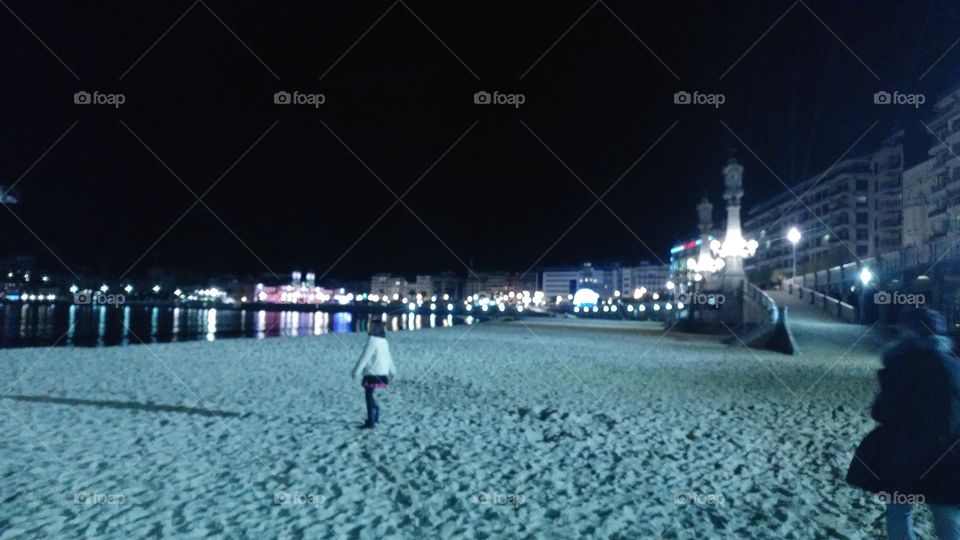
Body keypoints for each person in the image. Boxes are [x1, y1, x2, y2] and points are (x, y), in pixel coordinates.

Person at [847, 307, 960, 539]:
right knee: (944, 512)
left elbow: (881, 411)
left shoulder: (898, 364)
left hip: (902, 451)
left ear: (908, 331)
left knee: (899, 510)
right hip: (944, 451)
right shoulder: (951, 366)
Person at [351, 319, 396, 429]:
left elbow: (364, 358)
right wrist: (393, 372)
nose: (368, 327)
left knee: (369, 396)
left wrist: (356, 372)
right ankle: (374, 415)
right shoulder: (384, 341)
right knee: (371, 396)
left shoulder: (372, 340)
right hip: (383, 374)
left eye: (370, 326)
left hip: (373, 374)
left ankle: (372, 419)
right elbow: (388, 357)